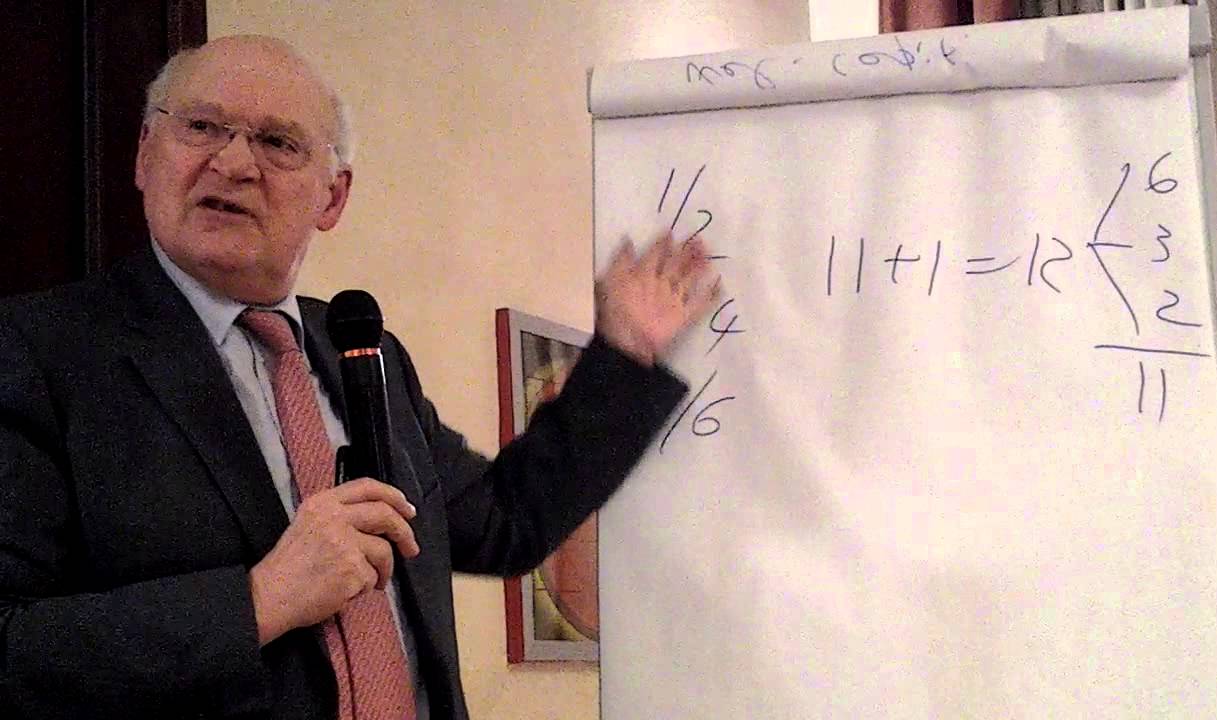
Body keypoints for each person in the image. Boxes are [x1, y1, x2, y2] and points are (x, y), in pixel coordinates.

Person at [0, 35, 718, 720]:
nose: (234, 162)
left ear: (333, 197)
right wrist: (258, 601)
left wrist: (625, 354)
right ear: (144, 154)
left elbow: (507, 523)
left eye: (278, 142)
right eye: (202, 126)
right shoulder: (36, 351)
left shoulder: (365, 352)